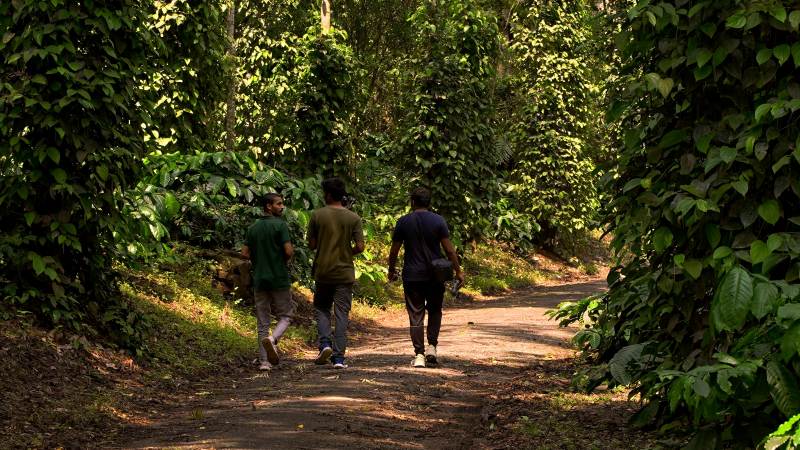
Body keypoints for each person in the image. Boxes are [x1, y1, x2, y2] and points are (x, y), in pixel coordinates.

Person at [388, 187, 464, 368]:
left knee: (416, 314)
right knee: (435, 310)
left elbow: (394, 250)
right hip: (435, 274)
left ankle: (419, 354)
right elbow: (449, 249)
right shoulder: (438, 221)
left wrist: (391, 269)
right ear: (429, 202)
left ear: (412, 202)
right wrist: (458, 271)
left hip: (412, 275)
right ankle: (432, 346)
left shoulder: (403, 222)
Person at [307, 177, 365, 369]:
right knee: (341, 314)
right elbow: (360, 247)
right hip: (344, 273)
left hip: (323, 271)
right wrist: (347, 252)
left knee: (322, 308)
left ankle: (324, 344)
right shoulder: (353, 218)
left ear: (329, 195)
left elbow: (312, 245)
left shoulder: (317, 215)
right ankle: (339, 358)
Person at [242, 193, 295, 371]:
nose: (282, 207)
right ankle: (273, 340)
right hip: (278, 277)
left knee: (263, 321)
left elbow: (244, 253)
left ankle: (264, 362)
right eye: (278, 204)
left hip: (259, 278)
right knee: (286, 315)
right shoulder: (280, 226)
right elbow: (288, 251)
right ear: (268, 206)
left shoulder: (253, 227)